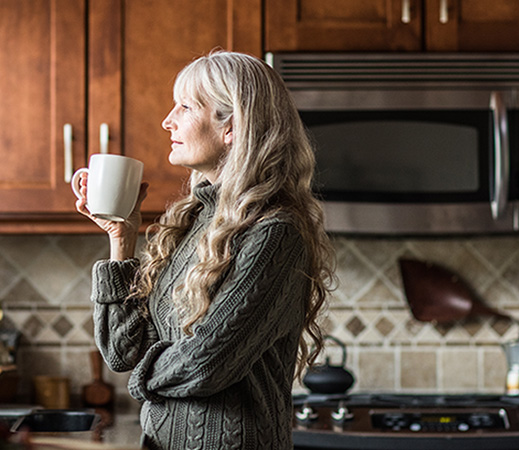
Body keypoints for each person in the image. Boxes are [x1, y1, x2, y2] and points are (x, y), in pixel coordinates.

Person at [75, 50, 336, 450]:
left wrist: (142, 380)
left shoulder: (275, 233)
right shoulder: (194, 220)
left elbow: (206, 363)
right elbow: (121, 351)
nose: (168, 120)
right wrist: (121, 238)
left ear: (230, 126)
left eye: (184, 106)